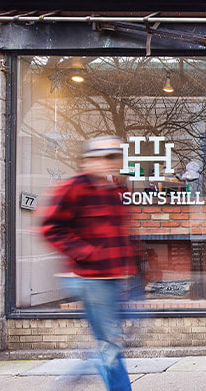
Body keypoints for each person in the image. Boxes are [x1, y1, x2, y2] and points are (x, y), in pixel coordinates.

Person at [40, 135, 137, 391]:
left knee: (116, 338)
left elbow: (119, 234)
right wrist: (87, 253)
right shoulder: (73, 188)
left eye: (115, 157)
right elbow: (50, 227)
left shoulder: (112, 191)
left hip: (115, 278)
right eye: (103, 157)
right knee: (111, 343)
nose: (110, 163)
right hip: (92, 280)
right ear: (87, 161)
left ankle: (76, 372)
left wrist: (129, 273)